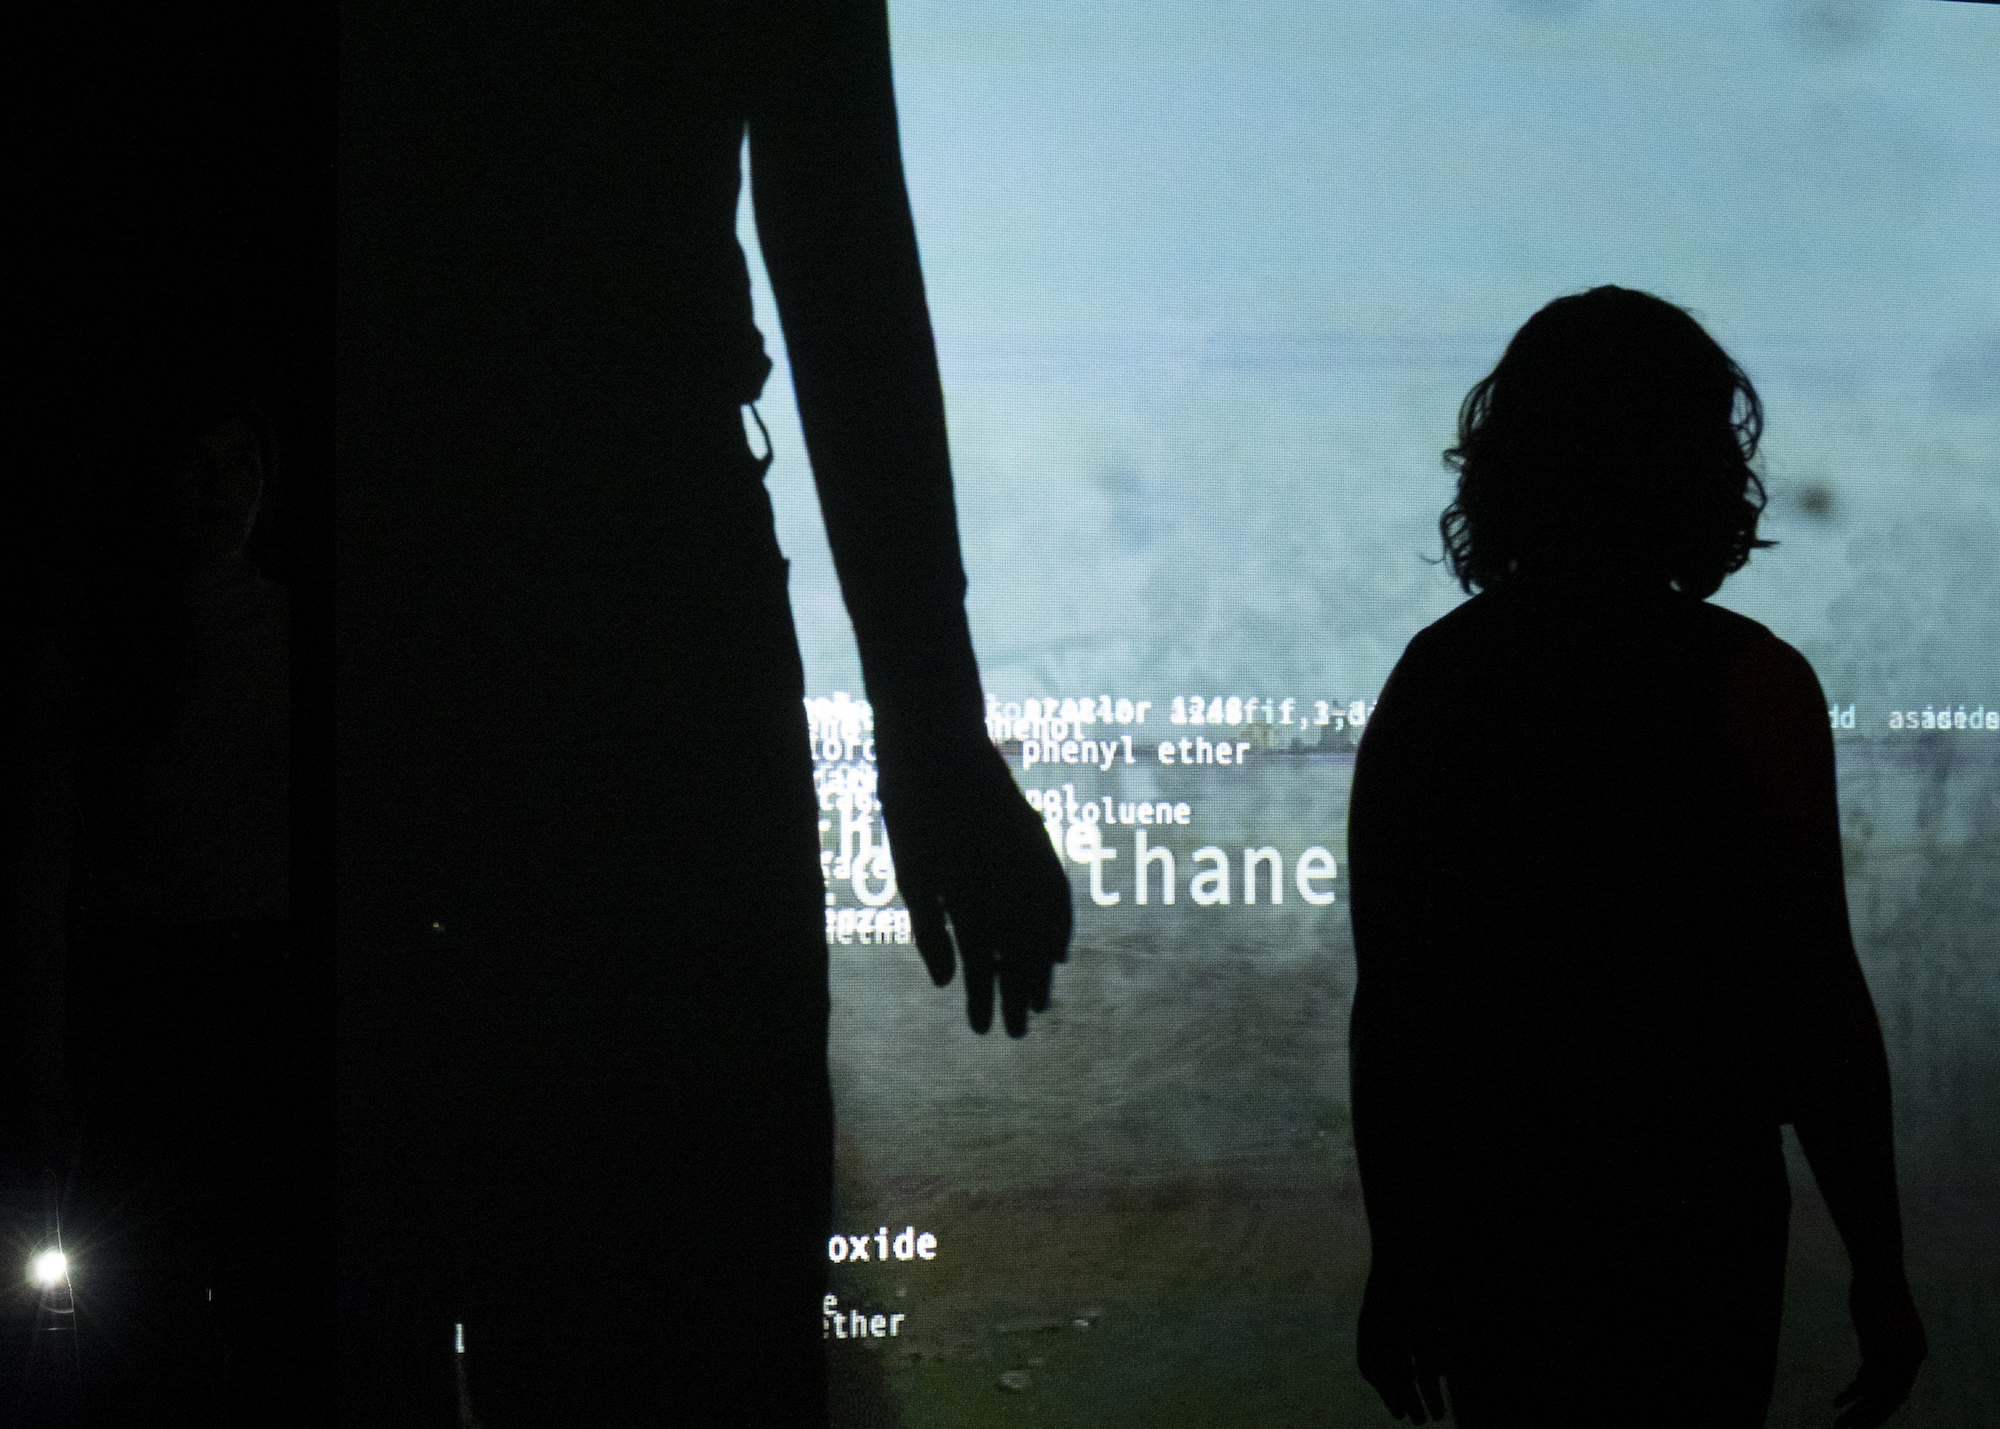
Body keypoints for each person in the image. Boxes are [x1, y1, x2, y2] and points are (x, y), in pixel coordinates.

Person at [337, 1, 1072, 1423]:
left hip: (400, 588)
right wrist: (929, 724)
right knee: (695, 1285)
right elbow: (845, 258)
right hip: (656, 604)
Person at [1347, 287, 1926, 1429]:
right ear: (1697, 460)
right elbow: (1815, 1004)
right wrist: (1879, 1266)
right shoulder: (1750, 683)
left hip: (1501, 1219)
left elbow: (1397, 1009)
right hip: (1693, 1211)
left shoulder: (1435, 681)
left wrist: (1399, 1256)